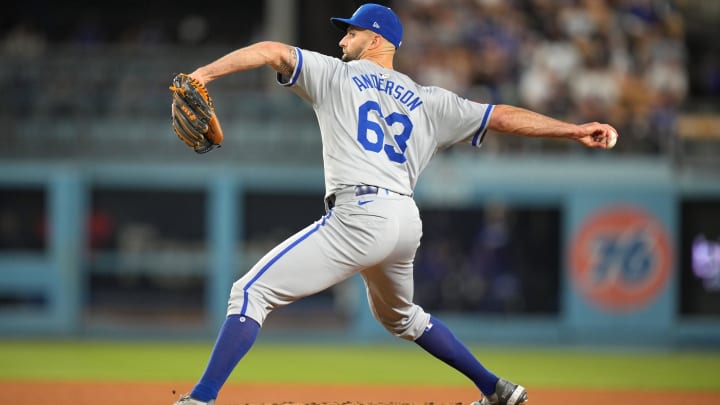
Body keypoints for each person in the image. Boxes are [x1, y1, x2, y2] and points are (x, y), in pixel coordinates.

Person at [173, 3, 618, 405]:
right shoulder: (431, 100)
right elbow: (500, 115)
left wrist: (204, 75)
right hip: (405, 221)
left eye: (353, 31)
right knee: (402, 318)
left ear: (378, 38)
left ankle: (200, 400)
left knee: (251, 292)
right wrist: (574, 129)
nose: (343, 38)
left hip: (360, 215)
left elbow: (272, 50)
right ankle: (497, 389)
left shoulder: (335, 73)